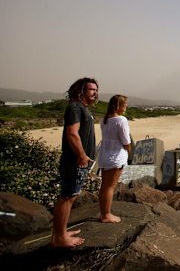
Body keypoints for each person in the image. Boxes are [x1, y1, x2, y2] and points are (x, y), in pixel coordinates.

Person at [51, 77, 99, 248]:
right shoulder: (75, 107)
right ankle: (59, 238)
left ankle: (60, 231)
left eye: (96, 89)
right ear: (81, 91)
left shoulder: (82, 108)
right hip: (75, 161)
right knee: (67, 197)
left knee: (70, 195)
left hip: (79, 161)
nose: (95, 92)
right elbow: (72, 133)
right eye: (91, 89)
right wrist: (81, 155)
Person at [97, 95, 131, 223]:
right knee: (110, 187)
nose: (126, 107)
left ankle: (103, 213)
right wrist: (129, 151)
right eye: (125, 104)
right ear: (118, 106)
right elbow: (126, 141)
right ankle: (106, 215)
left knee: (104, 186)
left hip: (105, 156)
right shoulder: (121, 120)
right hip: (116, 157)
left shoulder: (104, 120)